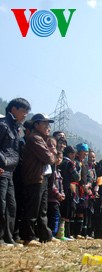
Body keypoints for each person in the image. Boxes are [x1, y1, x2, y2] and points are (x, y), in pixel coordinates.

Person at [20, 113, 58, 246]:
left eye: (48, 124)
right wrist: (52, 153)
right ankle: (28, 237)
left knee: (42, 209)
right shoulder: (35, 138)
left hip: (42, 177)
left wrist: (51, 153)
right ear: (36, 125)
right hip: (35, 178)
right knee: (33, 209)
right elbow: (49, 158)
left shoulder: (43, 139)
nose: (48, 126)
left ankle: (45, 235)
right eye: (44, 123)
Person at [0, 98, 30, 247]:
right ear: (13, 109)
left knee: (11, 206)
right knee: (1, 204)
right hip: (1, 170)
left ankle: (8, 237)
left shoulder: (15, 128)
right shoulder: (3, 125)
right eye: (23, 111)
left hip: (10, 171)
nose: (25, 115)